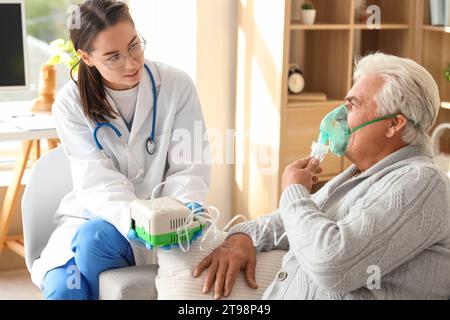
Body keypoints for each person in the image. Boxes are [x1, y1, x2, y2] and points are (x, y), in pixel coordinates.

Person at [194, 53, 450, 300]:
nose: (337, 116)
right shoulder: (358, 176)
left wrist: (294, 191)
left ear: (394, 124)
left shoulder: (423, 182)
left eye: (352, 105)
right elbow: (286, 225)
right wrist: (242, 238)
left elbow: (333, 263)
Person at [31, 0, 211, 300]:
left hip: (167, 220)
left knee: (93, 246)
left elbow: (190, 165)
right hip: (97, 218)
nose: (131, 63)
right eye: (113, 57)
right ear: (86, 57)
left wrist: (178, 212)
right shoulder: (70, 102)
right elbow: (96, 181)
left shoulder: (177, 85)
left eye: (134, 46)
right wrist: (136, 220)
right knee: (65, 289)